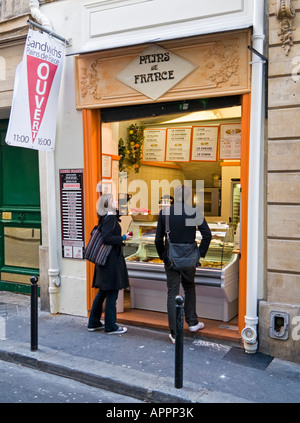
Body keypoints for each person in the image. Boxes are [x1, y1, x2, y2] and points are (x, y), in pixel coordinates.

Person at [155, 185, 212, 344]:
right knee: (189, 287)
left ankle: (174, 333)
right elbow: (207, 235)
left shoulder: (165, 213)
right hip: (189, 259)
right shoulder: (194, 212)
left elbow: (158, 239)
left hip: (171, 259)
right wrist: (199, 253)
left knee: (173, 292)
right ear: (188, 197)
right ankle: (193, 323)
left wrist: (163, 256)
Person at [88, 193, 132, 334]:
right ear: (109, 204)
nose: (116, 203)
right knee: (112, 293)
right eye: (114, 201)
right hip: (110, 260)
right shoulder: (110, 218)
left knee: (103, 292)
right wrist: (123, 237)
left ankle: (93, 322)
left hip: (105, 260)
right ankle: (110, 326)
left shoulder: (105, 216)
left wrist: (126, 199)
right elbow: (107, 238)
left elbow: (119, 213)